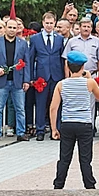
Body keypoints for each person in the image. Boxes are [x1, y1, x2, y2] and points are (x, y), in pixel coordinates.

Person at [51, 50, 99, 189]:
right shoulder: (89, 83)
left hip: (67, 123)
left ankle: (58, 184)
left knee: (64, 158)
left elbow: (53, 108)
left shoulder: (61, 84)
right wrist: (89, 78)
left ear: (68, 66)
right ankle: (89, 185)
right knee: (85, 159)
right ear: (83, 67)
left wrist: (54, 129)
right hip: (84, 124)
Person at [0, 18, 31, 142]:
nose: (12, 30)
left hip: (18, 81)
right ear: (5, 28)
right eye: (10, 27)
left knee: (20, 109)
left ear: (17, 29)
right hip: (1, 80)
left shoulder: (23, 43)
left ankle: (21, 132)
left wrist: (26, 80)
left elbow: (27, 62)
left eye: (14, 28)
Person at [29, 12, 68, 142]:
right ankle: (40, 130)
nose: (49, 25)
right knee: (40, 104)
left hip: (56, 76)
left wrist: (64, 77)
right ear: (43, 23)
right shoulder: (35, 39)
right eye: (47, 23)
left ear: (55, 23)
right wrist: (31, 77)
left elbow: (62, 59)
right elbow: (31, 59)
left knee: (56, 104)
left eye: (51, 23)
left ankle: (55, 130)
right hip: (41, 77)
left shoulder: (59, 38)